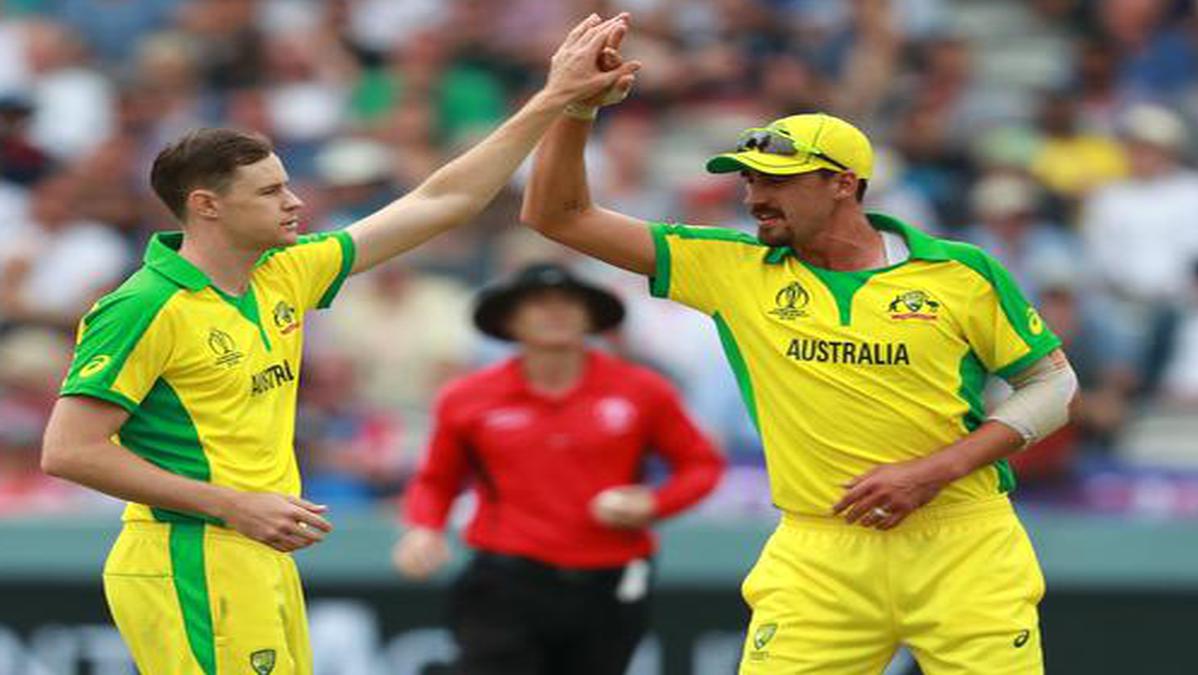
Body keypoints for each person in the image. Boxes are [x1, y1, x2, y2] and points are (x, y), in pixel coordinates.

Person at [39, 14, 640, 675]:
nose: (295, 201)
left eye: (288, 183)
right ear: (207, 206)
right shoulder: (145, 305)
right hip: (190, 552)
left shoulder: (284, 272)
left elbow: (444, 199)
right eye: (271, 191)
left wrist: (555, 99)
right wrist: (233, 502)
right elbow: (69, 450)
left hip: (253, 547)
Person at [521, 45, 1078, 675]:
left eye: (776, 181)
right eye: (750, 180)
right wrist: (574, 110)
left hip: (963, 541)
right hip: (819, 553)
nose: (755, 196)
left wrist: (934, 472)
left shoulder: (960, 272)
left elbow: (1052, 385)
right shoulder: (731, 267)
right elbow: (555, 215)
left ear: (844, 183)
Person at [393, 262, 724, 675]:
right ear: (510, 321)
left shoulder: (642, 390)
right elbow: (436, 480)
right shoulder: (468, 398)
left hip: (610, 579)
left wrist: (654, 503)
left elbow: (701, 464)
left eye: (569, 302)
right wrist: (424, 527)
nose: (556, 312)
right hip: (507, 576)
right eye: (539, 303)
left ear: (591, 318)